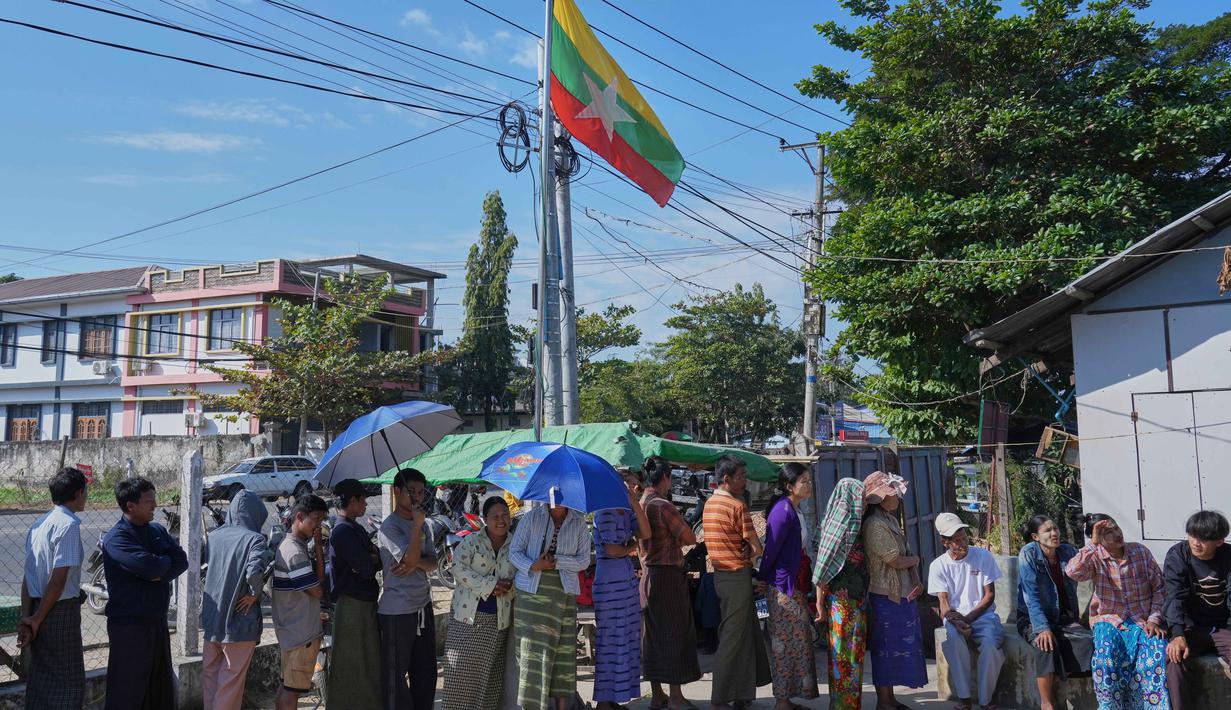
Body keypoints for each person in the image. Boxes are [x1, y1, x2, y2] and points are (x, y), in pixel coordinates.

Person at [101, 477, 188, 710]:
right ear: (131, 505)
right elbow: (152, 567)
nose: (155, 505)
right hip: (129, 626)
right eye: (149, 501)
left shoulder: (157, 530)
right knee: (127, 690)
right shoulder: (117, 539)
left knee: (158, 689)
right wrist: (158, 568)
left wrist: (158, 571)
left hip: (156, 623)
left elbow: (181, 561)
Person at [1065, 513, 1168, 710]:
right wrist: (1092, 544)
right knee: (1105, 657)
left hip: (1143, 619)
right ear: (1098, 539)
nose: (1116, 534)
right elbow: (1072, 572)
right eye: (1107, 533)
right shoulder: (1094, 557)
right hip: (1109, 620)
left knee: (1156, 652)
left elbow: (1160, 588)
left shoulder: (1140, 552)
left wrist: (1155, 618)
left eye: (1116, 528)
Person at [509, 487, 592, 710]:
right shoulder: (531, 518)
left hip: (563, 596)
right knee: (532, 655)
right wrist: (535, 565)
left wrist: (557, 562)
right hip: (530, 595)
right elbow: (514, 552)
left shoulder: (578, 522)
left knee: (564, 654)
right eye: (553, 491)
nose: (556, 495)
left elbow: (583, 560)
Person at [701, 454, 771, 710]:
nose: (745, 481)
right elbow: (756, 547)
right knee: (733, 637)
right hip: (736, 576)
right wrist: (753, 556)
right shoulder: (736, 505)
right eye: (741, 477)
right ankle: (720, 698)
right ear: (727, 478)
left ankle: (743, 693)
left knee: (746, 633)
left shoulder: (710, 504)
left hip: (721, 576)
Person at [19, 466, 88, 710]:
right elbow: (58, 579)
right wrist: (37, 618)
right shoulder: (67, 525)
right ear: (79, 493)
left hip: (38, 607)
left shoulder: (39, 524)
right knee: (69, 680)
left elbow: (28, 577)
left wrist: (28, 616)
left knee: (42, 676)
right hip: (58, 611)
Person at [442, 495, 517, 710]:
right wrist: (490, 585)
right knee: (461, 679)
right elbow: (457, 568)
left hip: (498, 624)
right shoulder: (471, 542)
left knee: (489, 683)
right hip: (468, 623)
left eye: (505, 515)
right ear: (485, 519)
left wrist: (507, 588)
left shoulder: (516, 545)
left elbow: (521, 576)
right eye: (495, 516)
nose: (501, 520)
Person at [639, 456, 702, 710]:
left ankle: (657, 694)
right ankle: (676, 696)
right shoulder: (662, 505)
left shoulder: (641, 502)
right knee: (675, 633)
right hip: (667, 576)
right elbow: (688, 537)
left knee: (653, 636)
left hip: (648, 575)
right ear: (665, 478)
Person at [863, 470, 927, 709]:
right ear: (879, 498)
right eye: (892, 494)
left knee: (895, 647)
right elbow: (895, 559)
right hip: (885, 595)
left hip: (901, 592)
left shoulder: (889, 520)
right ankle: (884, 700)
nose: (897, 498)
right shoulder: (874, 525)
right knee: (885, 649)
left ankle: (890, 698)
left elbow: (904, 556)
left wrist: (915, 575)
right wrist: (915, 561)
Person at [758, 463, 819, 710]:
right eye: (803, 480)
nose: (809, 484)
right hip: (784, 587)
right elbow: (770, 550)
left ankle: (787, 698)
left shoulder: (795, 510)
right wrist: (762, 578)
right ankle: (782, 700)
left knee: (797, 643)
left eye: (808, 479)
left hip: (796, 584)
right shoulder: (782, 511)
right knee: (783, 644)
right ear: (789, 486)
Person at [928, 512, 1005, 710]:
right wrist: (956, 621)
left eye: (964, 537)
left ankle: (985, 701)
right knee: (953, 642)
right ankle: (964, 699)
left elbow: (989, 596)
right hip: (955, 618)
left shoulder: (983, 556)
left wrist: (968, 619)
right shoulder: (938, 565)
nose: (963, 543)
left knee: (990, 647)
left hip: (982, 616)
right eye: (956, 540)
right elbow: (943, 602)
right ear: (945, 542)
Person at [1016, 514, 1093, 710]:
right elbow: (1031, 595)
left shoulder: (1067, 551)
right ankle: (1046, 702)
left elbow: (1086, 566)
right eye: (1048, 530)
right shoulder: (1028, 554)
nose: (1054, 533)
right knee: (1046, 645)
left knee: (1089, 641)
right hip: (1032, 618)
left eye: (1055, 528)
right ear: (1035, 537)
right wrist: (1042, 628)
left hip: (1064, 618)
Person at [377, 468, 439, 710]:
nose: (416, 497)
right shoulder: (389, 527)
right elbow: (411, 557)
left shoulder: (424, 526)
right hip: (397, 612)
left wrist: (415, 564)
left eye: (421, 492)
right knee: (395, 677)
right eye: (410, 492)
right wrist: (415, 530)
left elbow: (431, 562)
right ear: (397, 492)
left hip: (422, 608)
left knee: (425, 673)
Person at [202, 490, 269, 710]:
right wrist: (254, 594)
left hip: (212, 620)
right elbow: (253, 573)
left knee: (211, 677)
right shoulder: (255, 539)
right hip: (239, 623)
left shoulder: (214, 536)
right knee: (230, 683)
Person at [592, 471, 651, 710]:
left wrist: (635, 504)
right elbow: (612, 550)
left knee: (626, 640)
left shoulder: (626, 510)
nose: (633, 487)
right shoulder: (604, 512)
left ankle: (616, 697)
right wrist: (630, 547)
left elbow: (646, 533)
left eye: (634, 484)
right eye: (629, 484)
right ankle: (605, 700)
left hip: (625, 582)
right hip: (609, 584)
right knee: (609, 641)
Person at [812, 477, 872, 710]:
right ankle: (843, 706)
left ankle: (846, 704)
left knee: (852, 656)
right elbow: (823, 566)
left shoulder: (852, 523)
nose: (864, 503)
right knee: (844, 657)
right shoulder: (841, 524)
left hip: (854, 602)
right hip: (842, 604)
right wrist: (819, 602)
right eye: (861, 498)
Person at [1164, 510, 1231, 710]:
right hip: (1189, 628)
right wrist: (1177, 633)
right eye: (1192, 535)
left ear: (1219, 541)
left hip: (1223, 627)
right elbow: (1174, 595)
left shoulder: (1228, 556)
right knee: (1174, 660)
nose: (1195, 542)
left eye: (1203, 539)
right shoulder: (1178, 554)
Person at [326, 479, 381, 710]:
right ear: (353, 500)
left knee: (368, 662)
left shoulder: (354, 528)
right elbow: (368, 567)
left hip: (363, 603)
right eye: (363, 500)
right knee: (353, 664)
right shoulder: (342, 532)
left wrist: (371, 559)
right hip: (352, 606)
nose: (366, 504)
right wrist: (371, 560)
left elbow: (375, 558)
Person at [271, 494, 328, 710]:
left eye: (322, 521)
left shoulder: (296, 546)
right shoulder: (294, 552)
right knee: (292, 691)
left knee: (287, 687)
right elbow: (318, 590)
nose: (318, 525)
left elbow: (317, 584)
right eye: (315, 519)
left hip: (293, 631)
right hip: (299, 634)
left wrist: (319, 548)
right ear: (300, 517)